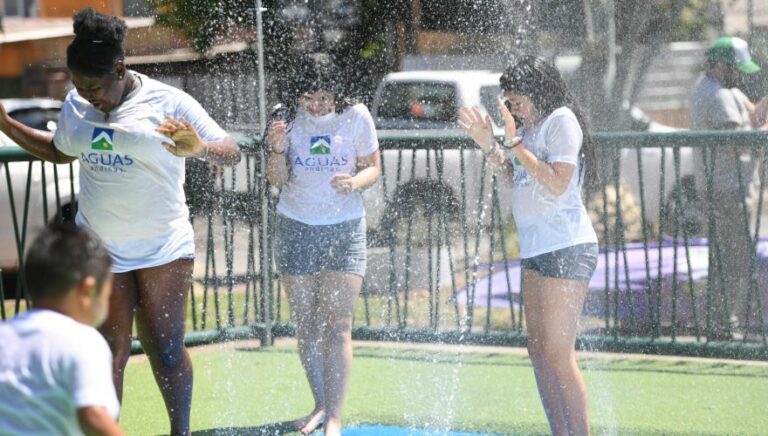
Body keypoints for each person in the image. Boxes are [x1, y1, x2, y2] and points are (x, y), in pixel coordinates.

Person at [0, 8, 241, 435]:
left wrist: (199, 147)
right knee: (108, 351)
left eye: (94, 86)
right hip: (103, 249)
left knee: (165, 348)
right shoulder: (77, 103)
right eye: (78, 85)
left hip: (162, 246)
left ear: (119, 68)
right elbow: (61, 149)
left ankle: (179, 432)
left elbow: (232, 150)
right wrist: (7, 125)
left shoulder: (167, 101)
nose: (87, 95)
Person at [459, 55, 598, 436]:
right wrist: (490, 144)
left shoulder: (561, 121)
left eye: (515, 100)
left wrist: (515, 142)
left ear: (538, 92)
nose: (511, 107)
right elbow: (513, 177)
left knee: (557, 352)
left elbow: (557, 182)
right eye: (508, 101)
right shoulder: (532, 129)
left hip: (567, 247)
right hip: (537, 249)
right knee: (537, 351)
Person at [265, 57, 381, 436]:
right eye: (309, 98)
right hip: (296, 225)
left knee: (338, 327)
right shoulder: (285, 119)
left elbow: (374, 167)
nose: (316, 105)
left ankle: (334, 416)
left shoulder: (356, 116)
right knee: (308, 324)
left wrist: (356, 182)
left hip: (344, 229)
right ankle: (318, 405)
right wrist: (276, 149)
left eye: (324, 97)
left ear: (338, 94)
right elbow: (277, 180)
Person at [0, 224, 122, 435]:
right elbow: (92, 415)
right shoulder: (83, 340)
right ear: (88, 290)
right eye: (107, 293)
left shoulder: (5, 335)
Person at [689, 36, 768, 337]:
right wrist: (763, 134)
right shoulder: (716, 96)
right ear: (722, 65)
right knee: (734, 260)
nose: (742, 74)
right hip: (727, 190)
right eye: (737, 67)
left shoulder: (723, 90)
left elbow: (752, 115)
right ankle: (724, 326)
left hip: (728, 189)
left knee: (731, 257)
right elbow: (738, 143)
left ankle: (723, 324)